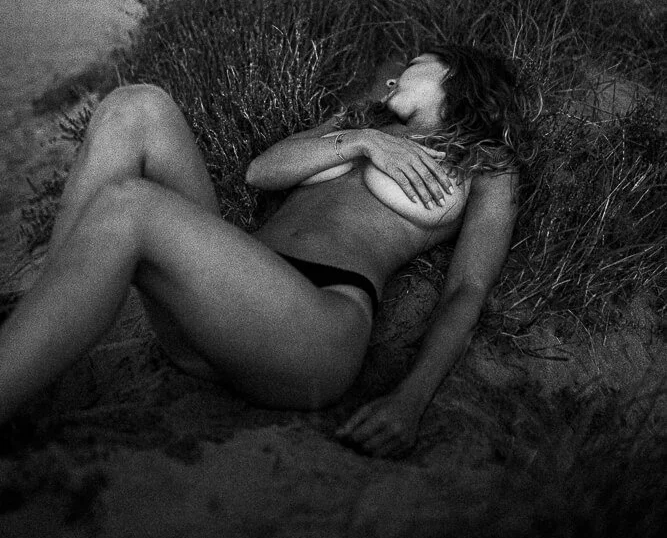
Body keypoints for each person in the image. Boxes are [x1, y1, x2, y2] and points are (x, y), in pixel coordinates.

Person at [0, 46, 532, 457]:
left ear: (456, 77)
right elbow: (262, 172)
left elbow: (467, 289)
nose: (393, 80)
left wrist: (409, 401)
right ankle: (38, 333)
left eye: (413, 67)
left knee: (129, 205)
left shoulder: (487, 166)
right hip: (226, 305)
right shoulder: (358, 126)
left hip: (314, 329)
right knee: (136, 104)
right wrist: (363, 140)